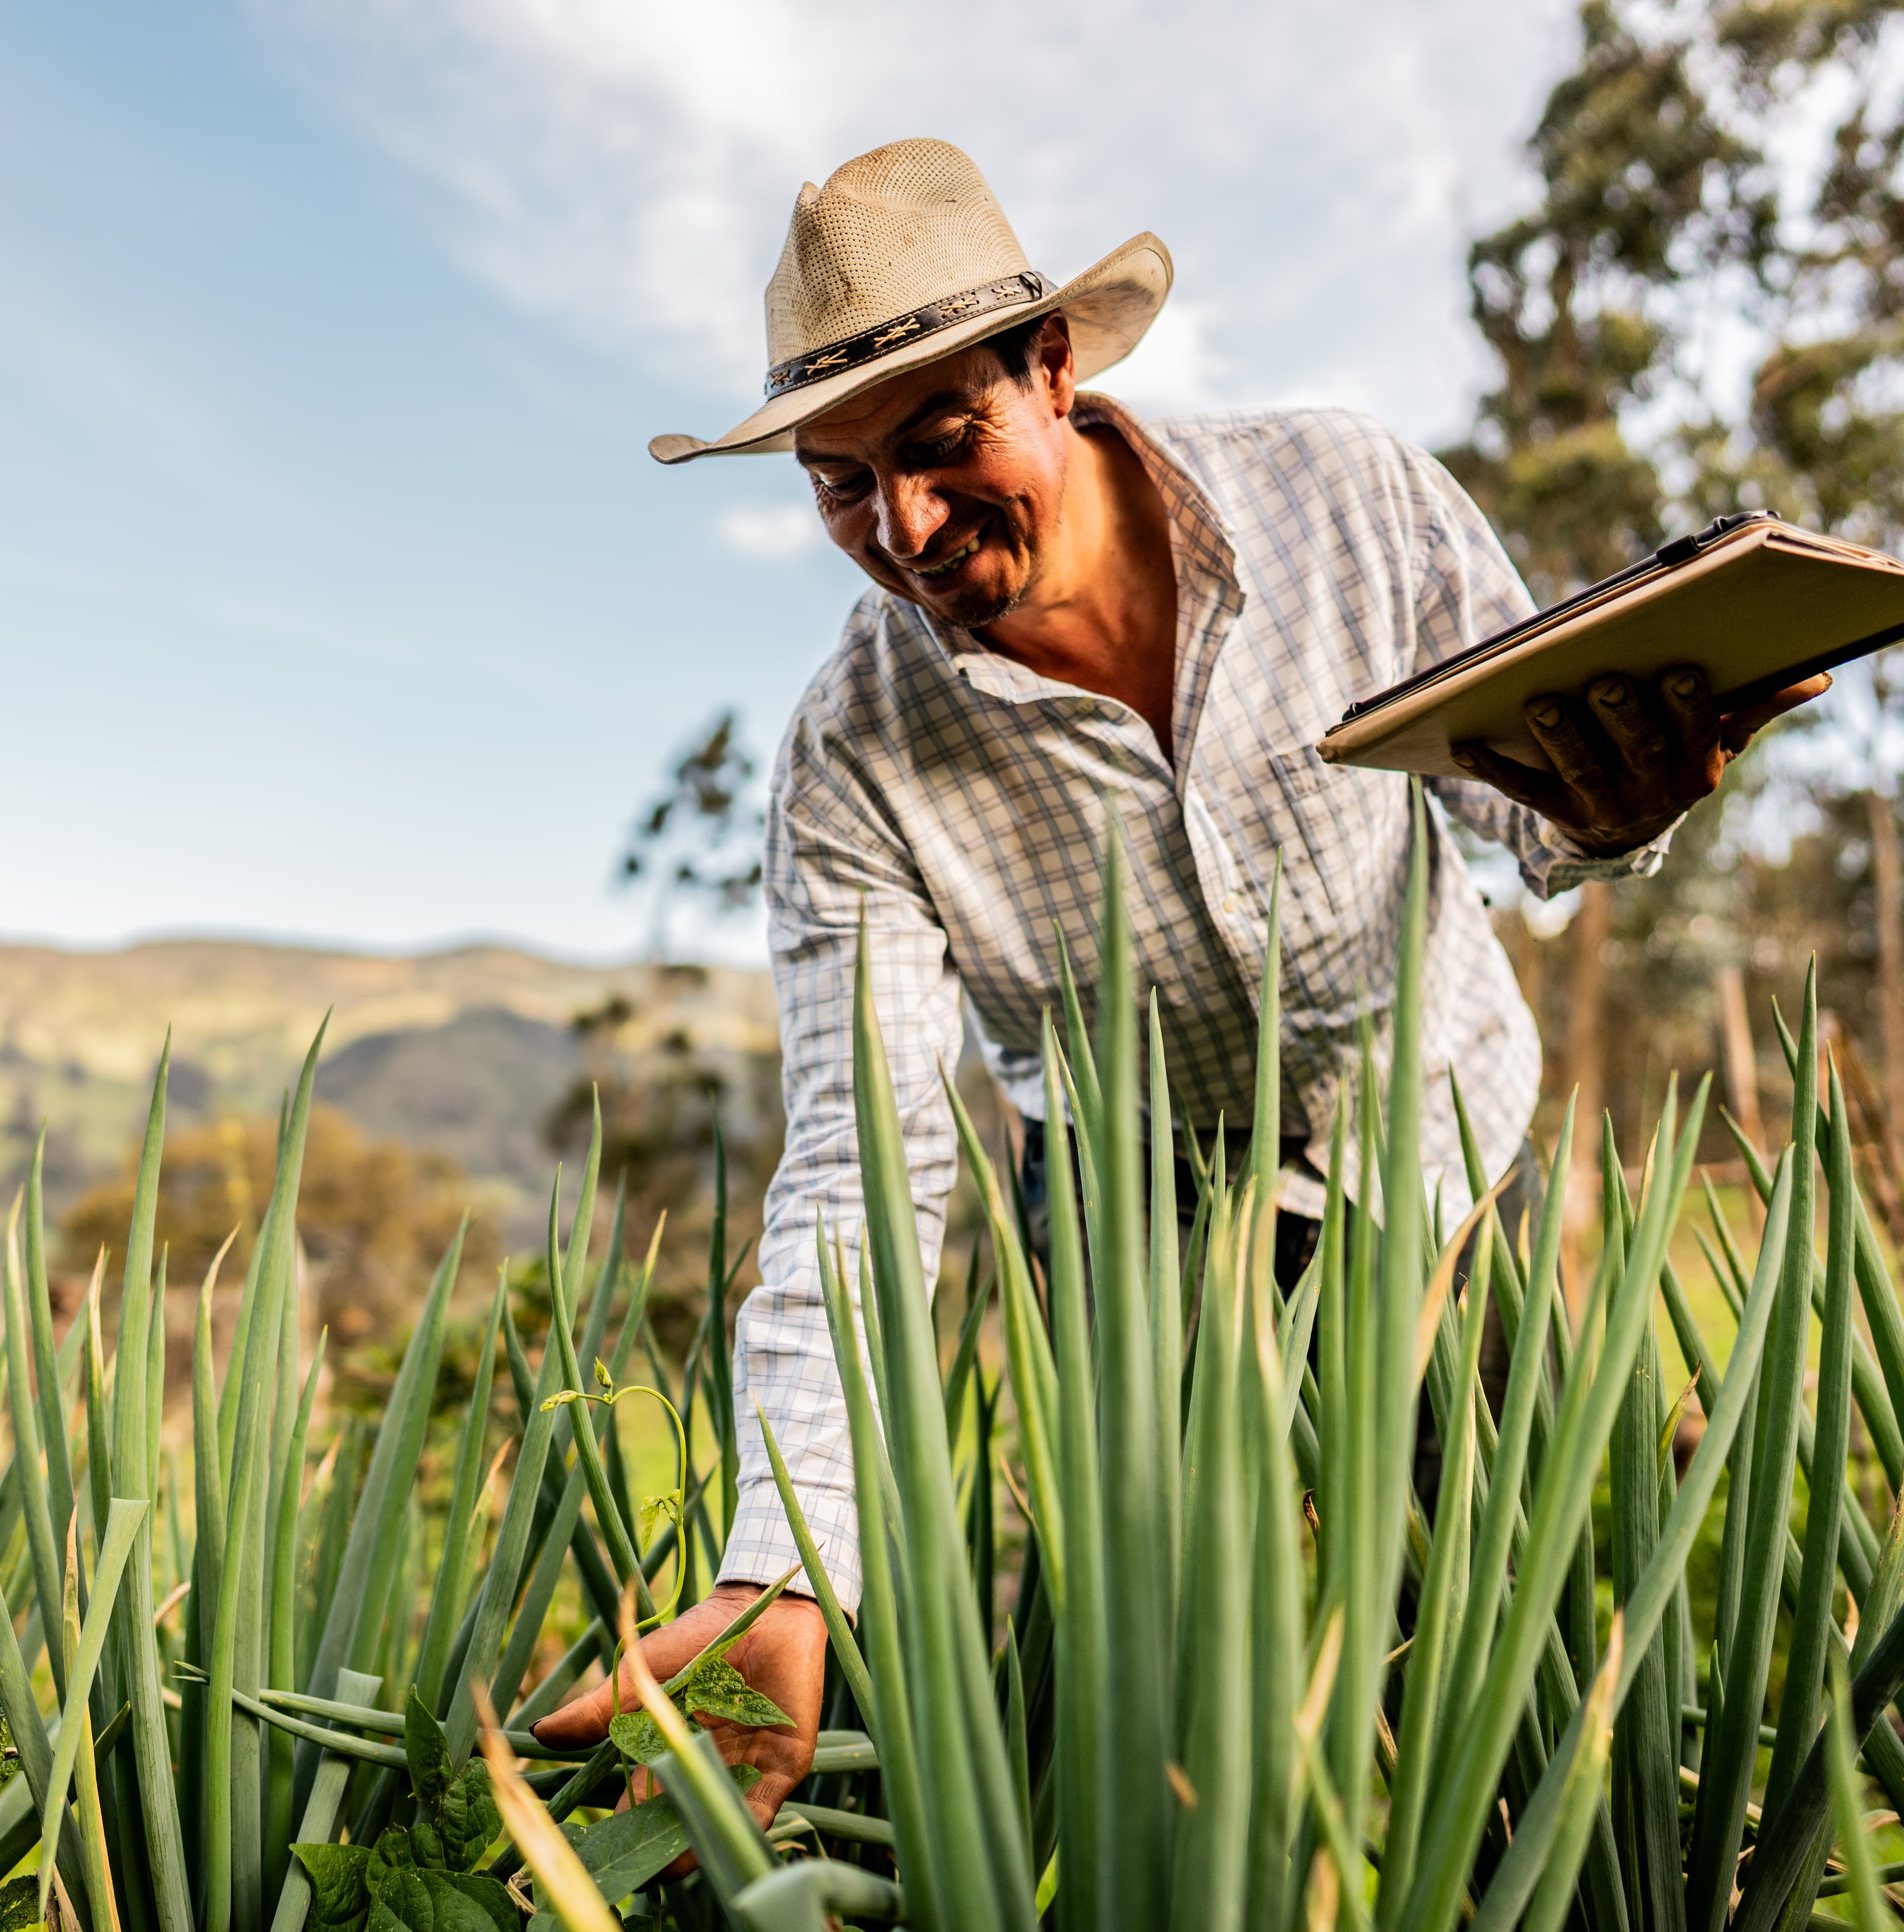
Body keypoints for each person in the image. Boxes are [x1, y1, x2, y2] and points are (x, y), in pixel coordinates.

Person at [529, 137, 1824, 1824]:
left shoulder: (1345, 496)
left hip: (1430, 1140)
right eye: (841, 484)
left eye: (938, 445)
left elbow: (1538, 809)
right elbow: (866, 1164)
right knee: (1173, 1664)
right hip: (1131, 1210)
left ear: (1050, 369)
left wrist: (1609, 815)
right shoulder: (853, 765)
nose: (904, 528)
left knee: (1514, 1606)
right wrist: (787, 1574)